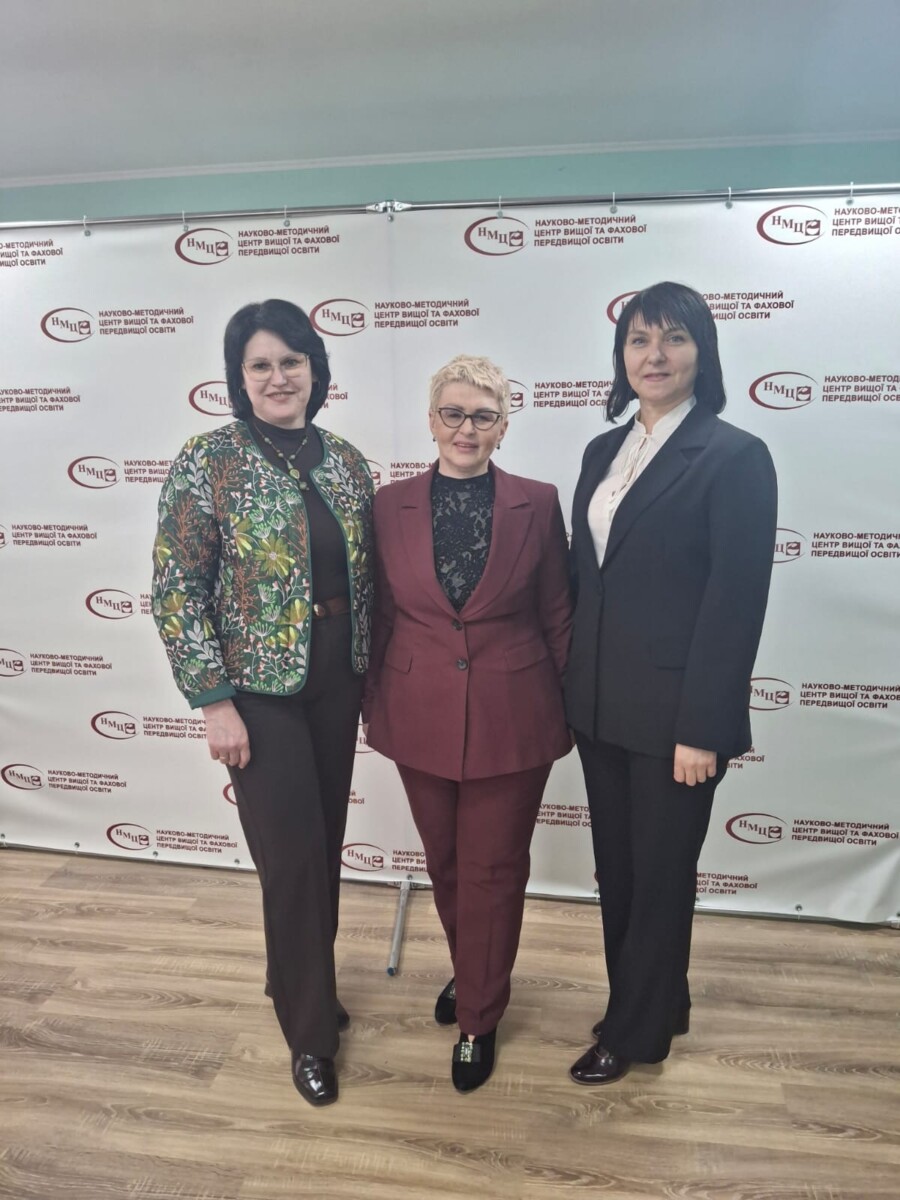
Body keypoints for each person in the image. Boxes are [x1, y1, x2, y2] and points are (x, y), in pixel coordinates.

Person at [151, 298, 374, 1107]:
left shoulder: (345, 461)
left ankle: (304, 982)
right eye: (261, 365)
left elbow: (370, 580)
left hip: (338, 679)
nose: (278, 377)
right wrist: (213, 701)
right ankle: (310, 1034)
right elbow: (177, 587)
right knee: (291, 859)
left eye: (291, 361)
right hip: (256, 693)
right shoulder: (208, 459)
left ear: (315, 370)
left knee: (325, 847)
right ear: (239, 378)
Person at [565, 281, 777, 1085]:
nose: (654, 356)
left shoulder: (734, 456)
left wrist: (703, 727)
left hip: (676, 720)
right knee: (621, 873)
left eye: (674, 339)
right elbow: (589, 581)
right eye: (638, 340)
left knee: (658, 878)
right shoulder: (601, 452)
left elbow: (735, 603)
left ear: (702, 352)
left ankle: (635, 1033)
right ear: (621, 356)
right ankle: (659, 999)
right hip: (597, 707)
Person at [363, 355, 572, 1093]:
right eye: (453, 413)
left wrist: (572, 708)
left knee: (492, 870)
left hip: (514, 718)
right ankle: (472, 969)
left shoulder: (537, 503)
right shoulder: (388, 505)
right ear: (431, 420)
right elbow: (381, 614)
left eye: (484, 416)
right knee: (448, 867)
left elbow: (557, 612)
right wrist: (375, 706)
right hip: (416, 715)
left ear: (504, 426)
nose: (466, 428)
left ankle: (480, 1017)